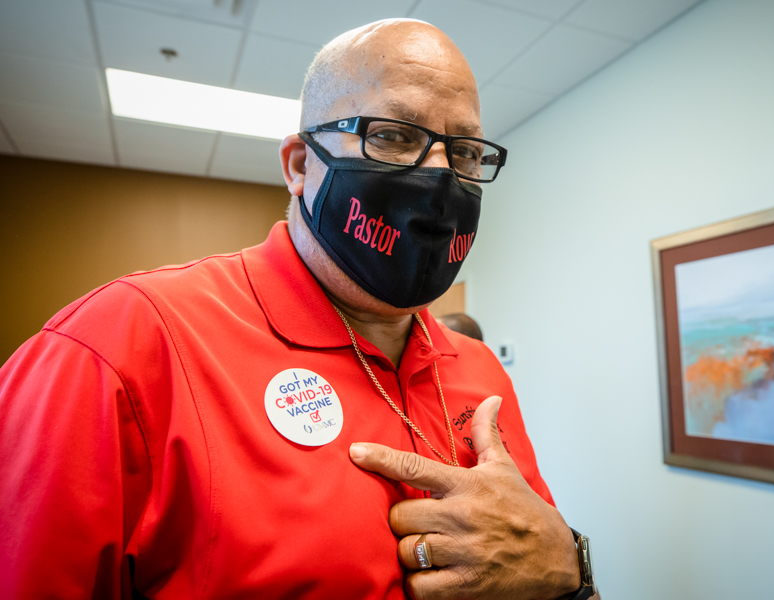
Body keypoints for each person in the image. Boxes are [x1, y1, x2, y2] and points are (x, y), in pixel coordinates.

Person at [0, 19, 596, 600]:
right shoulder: (122, 348)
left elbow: (537, 567)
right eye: (394, 135)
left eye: (464, 150)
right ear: (299, 165)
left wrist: (569, 566)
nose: (439, 173)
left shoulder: (481, 371)